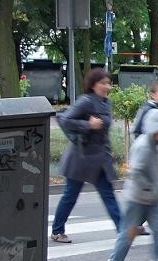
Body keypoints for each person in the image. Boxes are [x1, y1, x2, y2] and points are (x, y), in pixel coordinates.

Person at [51, 68, 121, 243]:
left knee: (108, 194)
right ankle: (57, 231)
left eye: (108, 83)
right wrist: (88, 124)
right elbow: (65, 119)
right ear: (93, 85)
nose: (107, 86)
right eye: (103, 83)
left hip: (99, 159)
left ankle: (123, 231)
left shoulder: (106, 102)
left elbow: (104, 132)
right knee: (70, 196)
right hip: (80, 158)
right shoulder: (85, 101)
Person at [105, 108, 158, 261]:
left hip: (152, 197)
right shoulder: (143, 146)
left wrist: (156, 189)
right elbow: (135, 171)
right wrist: (151, 187)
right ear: (154, 129)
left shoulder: (157, 146)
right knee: (129, 231)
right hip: (136, 197)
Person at [132, 81, 158, 233]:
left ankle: (136, 223)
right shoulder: (147, 110)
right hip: (148, 159)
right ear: (153, 94)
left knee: (156, 192)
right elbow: (137, 132)